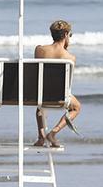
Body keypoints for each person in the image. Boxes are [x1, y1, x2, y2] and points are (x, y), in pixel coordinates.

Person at [33, 19, 81, 149]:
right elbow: (67, 82)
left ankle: (41, 136)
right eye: (70, 35)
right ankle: (53, 133)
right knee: (76, 107)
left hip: (40, 93)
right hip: (59, 94)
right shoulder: (70, 57)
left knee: (40, 105)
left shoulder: (39, 50)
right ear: (65, 35)